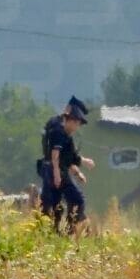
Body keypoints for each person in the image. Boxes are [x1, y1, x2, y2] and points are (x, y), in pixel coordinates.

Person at [39, 96, 95, 235]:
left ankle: (57, 234)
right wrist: (57, 174)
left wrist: (77, 172)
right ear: (71, 119)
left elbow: (67, 158)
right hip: (54, 169)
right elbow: (55, 154)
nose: (77, 127)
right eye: (77, 123)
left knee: (54, 206)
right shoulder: (59, 130)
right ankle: (70, 231)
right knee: (77, 200)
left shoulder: (59, 128)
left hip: (52, 169)